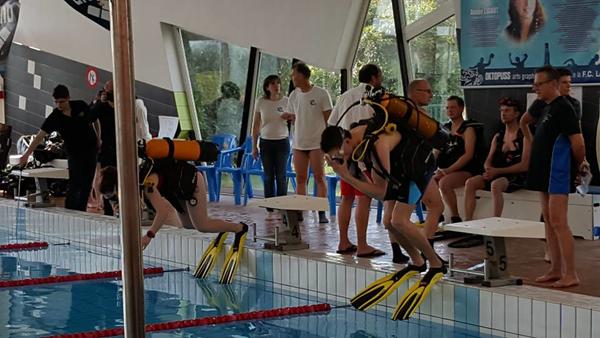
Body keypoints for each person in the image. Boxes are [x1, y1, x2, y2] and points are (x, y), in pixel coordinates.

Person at [321, 98, 446, 318]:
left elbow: (381, 192)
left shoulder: (376, 146)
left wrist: (346, 176)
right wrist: (349, 174)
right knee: (389, 221)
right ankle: (417, 260)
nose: (341, 158)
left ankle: (435, 263)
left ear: (347, 142)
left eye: (340, 154)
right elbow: (379, 189)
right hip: (401, 169)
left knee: (399, 220)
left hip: (418, 168)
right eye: (336, 157)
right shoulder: (358, 140)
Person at [99, 158, 249, 284]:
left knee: (202, 225)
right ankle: (223, 225)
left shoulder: (147, 185)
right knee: (188, 225)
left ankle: (239, 228)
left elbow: (163, 211)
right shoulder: (133, 178)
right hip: (178, 189)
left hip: (193, 182)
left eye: (113, 196)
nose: (113, 201)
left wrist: (149, 236)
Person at [520, 66, 588, 288]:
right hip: (543, 170)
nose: (535, 87)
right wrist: (532, 143)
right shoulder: (545, 107)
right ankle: (555, 269)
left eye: (539, 84)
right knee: (548, 221)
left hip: (557, 171)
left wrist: (581, 165)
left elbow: (577, 142)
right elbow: (525, 122)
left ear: (552, 84)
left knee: (559, 221)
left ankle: (571, 273)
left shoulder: (564, 108)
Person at [326, 64, 384, 258]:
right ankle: (362, 244)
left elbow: (331, 124)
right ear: (374, 78)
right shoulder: (375, 96)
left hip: (344, 152)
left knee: (347, 197)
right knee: (364, 198)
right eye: (380, 76)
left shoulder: (345, 96)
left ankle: (343, 241)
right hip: (363, 154)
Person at [19, 85, 100, 211]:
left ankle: (82, 211)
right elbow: (39, 136)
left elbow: (95, 120)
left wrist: (98, 138)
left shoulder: (80, 105)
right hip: (74, 152)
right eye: (56, 102)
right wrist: (26, 154)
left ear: (68, 98)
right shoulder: (55, 116)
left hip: (90, 149)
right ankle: (70, 211)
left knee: (87, 183)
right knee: (75, 182)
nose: (59, 105)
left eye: (61, 102)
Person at [464, 97, 531, 220]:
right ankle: (468, 221)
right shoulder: (498, 136)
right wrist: (488, 170)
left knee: (496, 185)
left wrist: (497, 171)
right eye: (501, 110)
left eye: (507, 110)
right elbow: (488, 160)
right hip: (497, 172)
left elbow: (524, 165)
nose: (503, 113)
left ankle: (495, 222)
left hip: (517, 176)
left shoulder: (524, 136)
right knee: (470, 183)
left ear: (516, 114)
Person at [283, 62, 332, 223]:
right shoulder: (294, 95)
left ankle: (321, 211)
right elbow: (294, 115)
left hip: (317, 143)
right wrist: (289, 117)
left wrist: (328, 145)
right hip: (299, 143)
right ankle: (299, 210)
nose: (293, 78)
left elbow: (328, 119)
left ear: (303, 75)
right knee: (301, 178)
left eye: (294, 74)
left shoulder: (321, 94)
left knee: (319, 177)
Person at [406, 80, 445, 250]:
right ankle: (425, 249)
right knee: (436, 206)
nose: (431, 95)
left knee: (395, 216)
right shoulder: (419, 115)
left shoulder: (402, 112)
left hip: (403, 169)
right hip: (418, 169)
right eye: (427, 91)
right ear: (414, 92)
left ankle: (404, 252)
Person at [435, 96, 484, 223]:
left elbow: (468, 155)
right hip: (447, 168)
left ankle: (455, 217)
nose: (449, 110)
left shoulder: (468, 128)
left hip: (466, 169)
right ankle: (436, 212)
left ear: (461, 108)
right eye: (447, 108)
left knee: (444, 183)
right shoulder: (445, 129)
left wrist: (448, 170)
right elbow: (436, 151)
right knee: (426, 181)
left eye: (453, 107)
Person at [251, 75, 290, 214]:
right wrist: (254, 146)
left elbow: (296, 118)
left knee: (281, 175)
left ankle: (282, 204)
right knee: (268, 175)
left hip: (282, 142)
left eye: (278, 83)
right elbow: (255, 125)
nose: (276, 86)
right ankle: (269, 204)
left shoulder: (287, 101)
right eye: (272, 83)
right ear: (267, 87)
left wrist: (290, 117)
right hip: (266, 142)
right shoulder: (261, 102)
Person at [90, 80, 117, 216]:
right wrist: (99, 102)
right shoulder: (102, 106)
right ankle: (107, 208)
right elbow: (90, 116)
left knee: (120, 178)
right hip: (107, 146)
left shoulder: (125, 104)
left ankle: (121, 207)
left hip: (121, 147)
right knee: (106, 178)